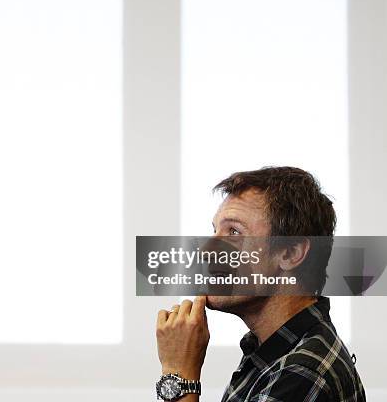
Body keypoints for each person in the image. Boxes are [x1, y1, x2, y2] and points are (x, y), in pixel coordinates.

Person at [155, 167, 365, 401]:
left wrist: (179, 372)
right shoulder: (269, 351)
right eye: (215, 230)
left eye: (233, 231)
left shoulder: (302, 373)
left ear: (290, 253)